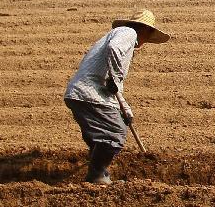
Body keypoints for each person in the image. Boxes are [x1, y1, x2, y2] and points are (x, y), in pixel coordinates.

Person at [64, 10, 170, 184]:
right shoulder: (128, 32)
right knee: (115, 133)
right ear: (145, 30)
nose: (144, 43)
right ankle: (97, 175)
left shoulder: (116, 36)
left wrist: (125, 109)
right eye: (148, 37)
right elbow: (114, 58)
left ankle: (98, 175)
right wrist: (115, 77)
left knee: (102, 137)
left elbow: (114, 86)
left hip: (81, 93)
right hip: (89, 93)